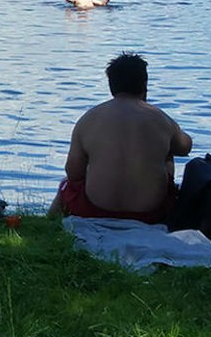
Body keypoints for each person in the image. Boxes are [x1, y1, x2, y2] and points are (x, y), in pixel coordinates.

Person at [50, 53, 192, 223]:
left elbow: (73, 173)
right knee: (168, 153)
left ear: (111, 86)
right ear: (144, 85)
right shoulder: (160, 118)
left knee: (66, 184)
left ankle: (48, 224)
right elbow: (185, 147)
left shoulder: (89, 119)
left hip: (95, 210)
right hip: (151, 213)